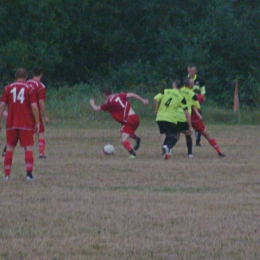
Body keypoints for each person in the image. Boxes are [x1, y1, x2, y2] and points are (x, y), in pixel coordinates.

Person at [0, 68, 40, 181]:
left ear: (15, 76)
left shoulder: (7, 88)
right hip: (26, 123)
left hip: (11, 123)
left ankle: (7, 175)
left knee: (9, 148)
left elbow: (2, 106)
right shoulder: (30, 89)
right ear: (26, 76)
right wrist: (37, 122)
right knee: (28, 148)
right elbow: (34, 107)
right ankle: (29, 175)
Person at [89, 87, 149, 159]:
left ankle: (133, 154)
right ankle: (136, 138)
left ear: (104, 94)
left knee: (123, 140)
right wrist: (143, 100)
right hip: (135, 117)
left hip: (128, 120)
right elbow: (133, 94)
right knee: (126, 132)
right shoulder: (120, 95)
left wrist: (92, 103)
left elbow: (96, 108)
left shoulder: (108, 103)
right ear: (112, 91)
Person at [154, 80, 192, 160]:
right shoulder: (181, 97)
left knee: (169, 135)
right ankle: (167, 147)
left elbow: (155, 99)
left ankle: (165, 154)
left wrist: (156, 110)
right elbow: (187, 113)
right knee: (176, 136)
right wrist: (190, 126)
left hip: (159, 117)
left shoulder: (165, 91)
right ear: (181, 87)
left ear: (173, 85)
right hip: (170, 119)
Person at [191, 92, 226, 157]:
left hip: (184, 117)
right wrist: (198, 113)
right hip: (195, 120)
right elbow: (195, 105)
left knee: (175, 134)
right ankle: (219, 152)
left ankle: (168, 147)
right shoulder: (199, 97)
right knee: (207, 135)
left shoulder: (184, 92)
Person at [26, 67, 49, 158]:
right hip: (35, 110)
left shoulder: (27, 83)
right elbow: (41, 102)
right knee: (41, 132)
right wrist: (45, 115)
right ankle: (41, 153)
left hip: (26, 110)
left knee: (26, 131)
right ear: (41, 74)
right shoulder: (40, 86)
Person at [175, 79, 201, 158]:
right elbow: (198, 106)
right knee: (188, 135)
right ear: (190, 85)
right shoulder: (192, 94)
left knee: (175, 135)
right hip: (184, 117)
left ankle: (167, 148)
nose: (193, 84)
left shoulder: (179, 91)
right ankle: (190, 153)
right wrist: (198, 112)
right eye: (192, 83)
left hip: (175, 116)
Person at [188, 64, 206, 146]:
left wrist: (201, 99)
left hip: (196, 103)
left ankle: (198, 141)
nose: (191, 73)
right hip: (187, 105)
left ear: (195, 71)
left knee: (197, 122)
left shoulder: (200, 80)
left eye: (192, 71)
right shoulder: (185, 80)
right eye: (189, 71)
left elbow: (203, 93)